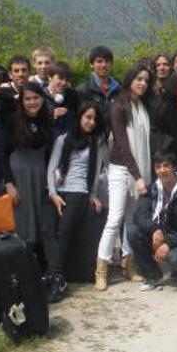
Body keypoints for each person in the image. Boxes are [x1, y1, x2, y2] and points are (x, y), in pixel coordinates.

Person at [98, 63, 154, 291]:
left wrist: (140, 175)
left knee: (132, 221)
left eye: (146, 80)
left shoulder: (141, 105)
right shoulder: (118, 106)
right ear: (130, 79)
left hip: (139, 169)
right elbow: (122, 144)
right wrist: (138, 176)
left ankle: (129, 266)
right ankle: (101, 269)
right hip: (121, 169)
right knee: (115, 218)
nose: (142, 83)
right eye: (139, 79)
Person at [2, 82, 61, 299]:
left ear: (42, 99)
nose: (32, 102)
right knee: (23, 224)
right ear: (21, 101)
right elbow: (2, 154)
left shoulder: (47, 121)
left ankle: (45, 274)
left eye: (36, 98)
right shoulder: (12, 122)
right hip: (20, 178)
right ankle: (22, 273)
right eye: (27, 98)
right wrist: (8, 183)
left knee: (40, 224)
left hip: (41, 176)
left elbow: (49, 155)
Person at [47, 102, 109, 299]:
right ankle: (53, 273)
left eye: (94, 119)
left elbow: (96, 170)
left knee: (63, 232)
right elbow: (51, 168)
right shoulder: (63, 139)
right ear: (79, 117)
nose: (91, 122)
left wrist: (92, 195)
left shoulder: (97, 142)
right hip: (58, 191)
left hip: (78, 192)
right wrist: (53, 194)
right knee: (49, 231)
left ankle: (55, 276)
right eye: (87, 117)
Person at [129, 150, 177, 290]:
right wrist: (154, 229)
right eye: (158, 167)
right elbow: (139, 216)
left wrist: (169, 242)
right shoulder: (151, 190)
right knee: (133, 231)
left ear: (174, 167)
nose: (162, 170)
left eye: (166, 165)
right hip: (158, 235)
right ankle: (152, 276)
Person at [77, 46, 120, 126]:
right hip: (92, 135)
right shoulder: (83, 90)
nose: (104, 65)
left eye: (107, 61)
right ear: (91, 64)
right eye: (99, 61)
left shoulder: (119, 90)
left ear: (111, 64)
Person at [46, 61, 80, 138]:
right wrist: (52, 116)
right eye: (60, 78)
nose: (64, 82)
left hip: (69, 142)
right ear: (50, 77)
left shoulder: (73, 95)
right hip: (47, 144)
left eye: (66, 79)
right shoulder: (39, 96)